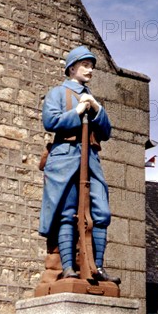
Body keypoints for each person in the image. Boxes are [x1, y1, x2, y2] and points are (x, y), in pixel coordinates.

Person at [39, 45, 120, 284]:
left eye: (92, 65)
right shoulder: (57, 93)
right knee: (66, 213)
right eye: (85, 65)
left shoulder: (92, 98)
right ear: (72, 68)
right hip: (65, 157)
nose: (90, 70)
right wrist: (77, 111)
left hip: (90, 158)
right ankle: (68, 267)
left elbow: (106, 132)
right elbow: (50, 121)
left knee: (101, 212)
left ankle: (98, 266)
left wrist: (96, 109)